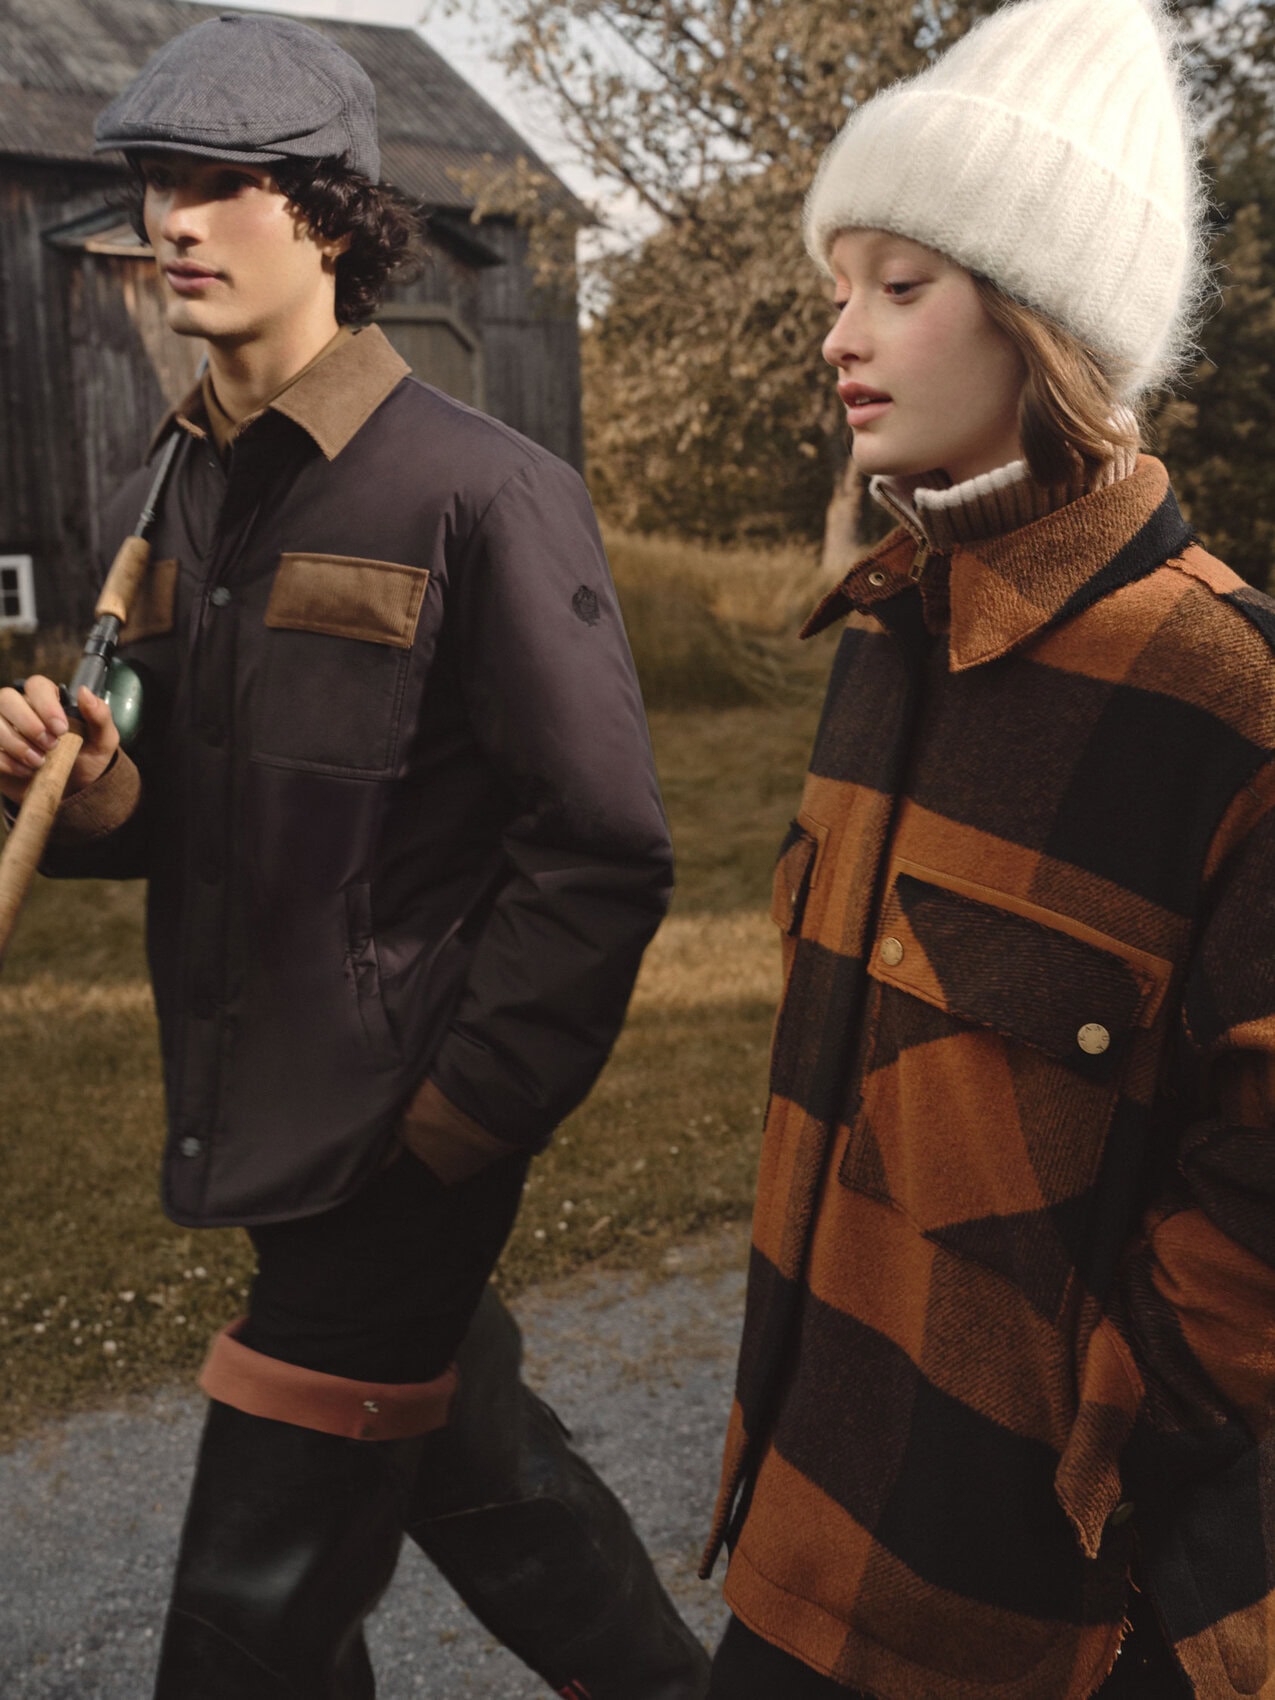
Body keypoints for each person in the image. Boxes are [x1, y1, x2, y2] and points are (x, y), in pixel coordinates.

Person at [0, 14, 709, 1699]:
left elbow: (603, 848)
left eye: (220, 184)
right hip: (265, 1107)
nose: (172, 220)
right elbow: (207, 807)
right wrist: (99, 798)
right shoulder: (174, 492)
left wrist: (454, 1125)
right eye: (157, 183)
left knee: (244, 1624)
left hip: (403, 1137)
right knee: (472, 1464)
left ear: (329, 215)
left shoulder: (484, 493)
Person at [701, 0, 1275, 1696]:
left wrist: (1126, 1422)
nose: (841, 334)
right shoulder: (889, 636)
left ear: (1045, 318)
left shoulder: (1223, 692)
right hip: (801, 1535)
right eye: (839, 286)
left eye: (901, 284)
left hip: (1047, 1604)